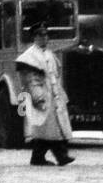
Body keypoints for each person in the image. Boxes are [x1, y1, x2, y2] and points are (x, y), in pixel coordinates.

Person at [15, 22, 75, 167]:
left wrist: (61, 95)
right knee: (47, 128)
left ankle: (42, 157)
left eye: (46, 35)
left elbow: (55, 76)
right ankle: (60, 156)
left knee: (49, 129)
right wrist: (37, 96)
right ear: (34, 37)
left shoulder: (49, 54)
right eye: (41, 35)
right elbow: (30, 80)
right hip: (42, 96)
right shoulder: (29, 57)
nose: (45, 38)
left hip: (53, 96)